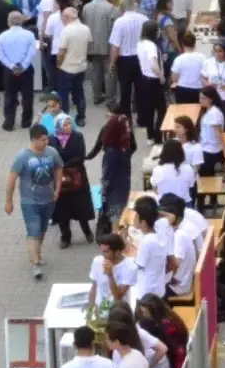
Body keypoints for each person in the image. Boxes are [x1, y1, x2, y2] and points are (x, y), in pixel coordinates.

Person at [6, 124, 62, 279]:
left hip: (48, 199)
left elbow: (58, 168)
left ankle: (37, 253)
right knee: (33, 229)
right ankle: (35, 263)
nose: (46, 143)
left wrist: (58, 189)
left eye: (47, 139)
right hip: (29, 201)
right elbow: (11, 178)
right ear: (34, 140)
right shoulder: (23, 156)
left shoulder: (51, 152)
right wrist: (8, 201)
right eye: (43, 140)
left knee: (42, 229)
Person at [84, 102, 136, 230]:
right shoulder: (125, 130)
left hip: (114, 185)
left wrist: (104, 187)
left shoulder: (112, 149)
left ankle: (115, 242)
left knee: (115, 216)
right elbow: (133, 146)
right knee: (121, 211)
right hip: (124, 179)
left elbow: (108, 171)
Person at [50, 114, 94, 248]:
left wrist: (64, 166)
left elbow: (80, 156)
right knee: (62, 209)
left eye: (69, 123)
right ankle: (65, 236)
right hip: (59, 180)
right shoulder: (52, 139)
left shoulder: (78, 137)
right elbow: (50, 155)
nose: (68, 126)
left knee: (81, 206)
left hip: (77, 177)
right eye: (64, 124)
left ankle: (87, 231)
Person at [0, 11, 36, 131]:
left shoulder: (2, 36)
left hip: (9, 70)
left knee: (9, 95)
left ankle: (9, 121)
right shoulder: (29, 35)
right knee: (27, 95)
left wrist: (11, 65)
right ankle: (26, 121)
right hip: (26, 69)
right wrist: (23, 66)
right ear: (22, 21)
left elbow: (0, 55)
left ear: (8, 22)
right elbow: (32, 52)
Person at [108, 0, 145, 119]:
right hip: (141, 58)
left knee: (125, 90)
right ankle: (142, 116)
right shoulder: (144, 19)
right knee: (141, 88)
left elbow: (116, 46)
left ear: (122, 7)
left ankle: (127, 117)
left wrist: (112, 63)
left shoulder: (120, 22)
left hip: (125, 60)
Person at [82, 0, 117, 105]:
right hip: (107, 45)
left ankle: (96, 95)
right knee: (110, 71)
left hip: (91, 44)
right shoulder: (111, 8)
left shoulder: (86, 7)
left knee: (95, 71)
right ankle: (109, 98)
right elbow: (114, 29)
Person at [56, 7, 91, 126]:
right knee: (79, 93)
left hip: (67, 67)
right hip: (81, 66)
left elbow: (61, 51)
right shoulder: (86, 29)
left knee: (63, 95)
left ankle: (64, 119)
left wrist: (58, 64)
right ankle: (81, 117)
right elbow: (88, 45)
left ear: (66, 17)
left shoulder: (66, 31)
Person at [158, 196, 198, 298]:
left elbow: (175, 264)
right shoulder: (177, 232)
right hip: (181, 281)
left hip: (178, 286)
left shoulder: (179, 236)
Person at [135, 20, 166, 144]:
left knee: (149, 109)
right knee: (161, 109)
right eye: (158, 30)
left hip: (144, 78)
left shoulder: (140, 43)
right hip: (154, 80)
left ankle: (150, 135)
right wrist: (161, 77)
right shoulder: (152, 46)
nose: (159, 32)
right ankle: (158, 136)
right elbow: (153, 65)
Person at [130, 198, 167, 300]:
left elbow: (137, 265)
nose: (133, 219)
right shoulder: (157, 236)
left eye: (136, 216)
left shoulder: (146, 241)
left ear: (143, 222)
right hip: (158, 290)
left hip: (146, 294)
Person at [88, 233, 137, 309]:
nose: (102, 255)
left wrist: (110, 275)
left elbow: (117, 296)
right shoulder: (97, 261)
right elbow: (94, 287)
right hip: (100, 309)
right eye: (101, 251)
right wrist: (90, 310)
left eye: (105, 252)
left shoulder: (131, 266)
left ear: (117, 252)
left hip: (119, 311)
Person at [197, 86, 225, 187]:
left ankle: (207, 195)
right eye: (200, 97)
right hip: (206, 146)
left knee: (204, 176)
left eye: (203, 98)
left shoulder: (215, 114)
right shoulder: (209, 111)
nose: (200, 100)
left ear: (211, 99)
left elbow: (219, 133)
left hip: (211, 150)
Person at [150, 138, 195, 203]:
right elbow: (191, 185)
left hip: (163, 204)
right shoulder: (188, 168)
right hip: (184, 203)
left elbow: (155, 189)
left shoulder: (157, 169)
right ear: (181, 152)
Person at [169, 30, 204, 104]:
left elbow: (174, 79)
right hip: (198, 89)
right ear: (195, 43)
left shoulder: (178, 59)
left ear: (182, 44)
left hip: (183, 90)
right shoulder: (203, 57)